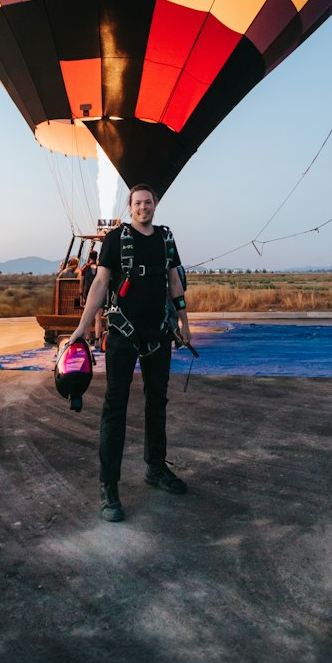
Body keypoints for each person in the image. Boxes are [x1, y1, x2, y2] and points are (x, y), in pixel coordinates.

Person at [63, 184, 191, 522]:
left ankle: (155, 468)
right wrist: (81, 328)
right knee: (115, 407)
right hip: (123, 333)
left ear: (155, 204)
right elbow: (101, 284)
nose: (143, 208)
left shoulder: (165, 238)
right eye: (138, 203)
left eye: (149, 202)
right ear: (129, 206)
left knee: (157, 401)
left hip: (159, 333)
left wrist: (184, 323)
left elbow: (174, 282)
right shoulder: (115, 240)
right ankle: (109, 486)